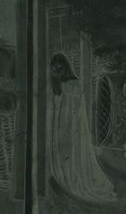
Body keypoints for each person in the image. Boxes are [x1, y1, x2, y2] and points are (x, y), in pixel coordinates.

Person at [47, 48, 118, 205]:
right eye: (54, 68)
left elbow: (74, 110)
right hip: (57, 127)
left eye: (60, 67)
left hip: (71, 127)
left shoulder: (73, 83)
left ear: (66, 67)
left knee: (73, 157)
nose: (57, 70)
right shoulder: (55, 84)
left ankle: (72, 181)